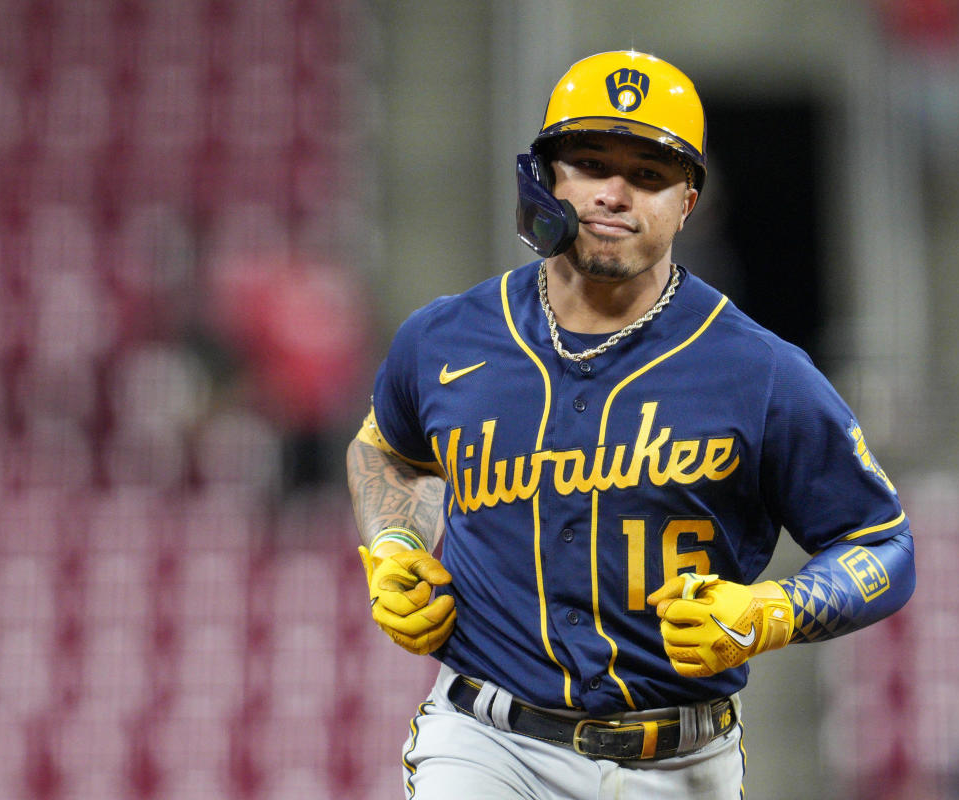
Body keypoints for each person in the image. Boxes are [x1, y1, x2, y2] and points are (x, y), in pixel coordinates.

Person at [346, 50, 915, 799]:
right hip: (487, 743)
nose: (613, 193)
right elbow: (386, 449)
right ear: (545, 177)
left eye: (648, 175)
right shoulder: (445, 338)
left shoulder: (763, 372)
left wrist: (776, 609)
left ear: (690, 201)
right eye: (587, 163)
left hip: (681, 761)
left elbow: (883, 546)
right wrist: (394, 543)